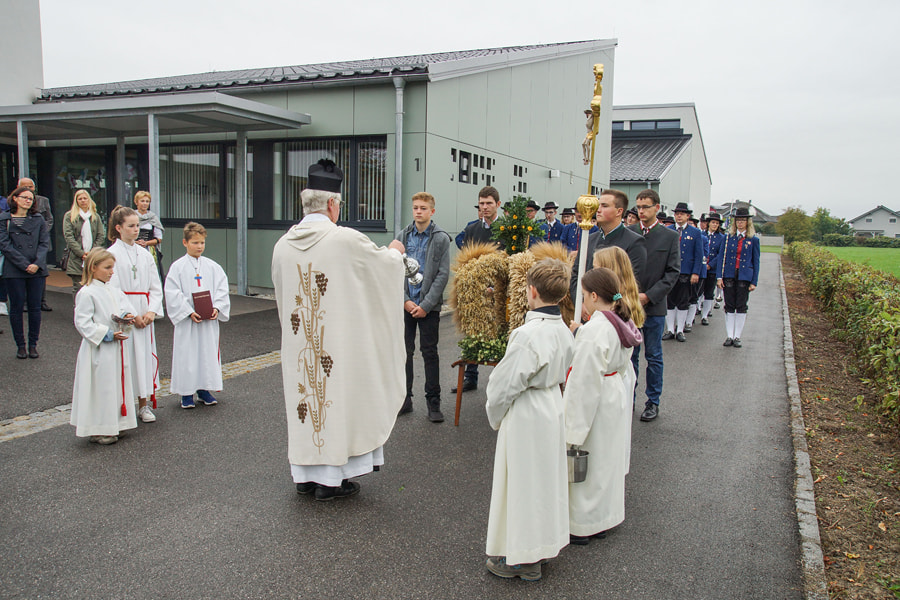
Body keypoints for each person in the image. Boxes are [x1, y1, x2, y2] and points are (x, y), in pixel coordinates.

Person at [272, 158, 406, 502]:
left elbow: (281, 293)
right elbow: (381, 269)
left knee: (306, 403)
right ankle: (331, 481)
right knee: (336, 401)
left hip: (300, 346)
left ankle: (305, 477)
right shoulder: (345, 239)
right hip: (336, 345)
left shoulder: (282, 245)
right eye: (340, 205)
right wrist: (395, 253)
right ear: (332, 203)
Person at [484, 258, 574, 581]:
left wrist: (495, 414)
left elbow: (504, 385)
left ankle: (521, 559)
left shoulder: (526, 335)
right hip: (551, 405)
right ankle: (542, 547)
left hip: (527, 410)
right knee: (544, 481)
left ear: (531, 291)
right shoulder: (564, 330)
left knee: (522, 483)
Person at [564, 267, 642, 545]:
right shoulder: (621, 321)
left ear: (595, 296)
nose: (583, 302)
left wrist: (572, 428)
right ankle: (603, 518)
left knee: (590, 458)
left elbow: (584, 381)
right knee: (607, 459)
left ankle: (582, 524)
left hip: (597, 397)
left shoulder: (595, 330)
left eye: (584, 296)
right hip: (614, 392)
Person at [69, 248, 137, 445]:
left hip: (117, 347)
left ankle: (116, 423)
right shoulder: (87, 292)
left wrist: (127, 317)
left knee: (116, 384)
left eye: (112, 268)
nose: (111, 272)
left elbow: (124, 308)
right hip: (98, 349)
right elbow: (83, 322)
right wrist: (106, 334)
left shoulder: (113, 290)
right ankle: (99, 428)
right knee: (101, 388)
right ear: (93, 267)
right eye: (107, 268)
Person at [396, 192, 451, 422]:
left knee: (429, 353)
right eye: (416, 207)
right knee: (404, 353)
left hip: (429, 306)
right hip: (406, 304)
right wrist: (405, 300)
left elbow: (442, 274)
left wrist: (426, 305)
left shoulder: (440, 239)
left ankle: (433, 403)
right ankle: (405, 400)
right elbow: (394, 269)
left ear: (432, 211)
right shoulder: (402, 236)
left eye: (423, 208)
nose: (418, 211)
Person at [165, 222, 231, 408]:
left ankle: (204, 389)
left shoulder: (212, 266)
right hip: (188, 321)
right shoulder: (177, 267)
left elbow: (222, 289)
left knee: (206, 354)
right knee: (187, 355)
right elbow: (172, 292)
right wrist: (188, 311)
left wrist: (217, 307)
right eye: (195, 242)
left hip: (207, 321)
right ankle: (186, 393)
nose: (199, 246)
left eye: (202, 242)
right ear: (185, 242)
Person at [628, 189, 679, 422]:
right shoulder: (630, 232)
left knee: (654, 355)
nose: (641, 211)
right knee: (630, 356)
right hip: (630, 307)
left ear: (657, 208)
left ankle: (653, 401)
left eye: (645, 207)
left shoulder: (669, 237)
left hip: (654, 307)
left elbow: (672, 273)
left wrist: (649, 296)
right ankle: (629, 398)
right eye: (638, 207)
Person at [108, 206, 163, 423]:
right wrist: (131, 314)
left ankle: (143, 404)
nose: (136, 229)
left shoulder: (145, 254)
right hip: (125, 315)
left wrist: (151, 311)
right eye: (131, 226)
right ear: (118, 228)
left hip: (144, 310)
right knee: (126, 359)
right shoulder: (112, 254)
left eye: (138, 225)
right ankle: (124, 404)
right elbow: (113, 288)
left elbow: (155, 286)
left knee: (144, 358)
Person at [453, 186, 503, 393]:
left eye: (489, 203)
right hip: (476, 291)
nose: (484, 207)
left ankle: (500, 381)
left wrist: (496, 287)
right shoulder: (472, 229)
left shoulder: (507, 229)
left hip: (498, 290)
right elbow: (467, 261)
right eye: (481, 203)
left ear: (498, 204)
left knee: (499, 334)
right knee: (472, 331)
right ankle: (470, 377)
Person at [569, 189, 646, 308]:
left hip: (615, 311)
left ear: (619, 211)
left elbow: (631, 282)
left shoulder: (634, 242)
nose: (598, 210)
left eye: (604, 206)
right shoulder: (589, 239)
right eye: (598, 205)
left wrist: (606, 307)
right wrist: (581, 304)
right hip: (586, 311)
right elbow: (576, 274)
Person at [0, 186, 50, 358]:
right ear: (15, 198)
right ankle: (20, 345)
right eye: (25, 197)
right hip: (14, 269)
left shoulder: (38, 219)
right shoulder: (4, 219)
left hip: (37, 269)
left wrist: (36, 263)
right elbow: (5, 245)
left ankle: (33, 344)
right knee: (16, 307)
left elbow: (44, 243)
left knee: (35, 308)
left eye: (30, 198)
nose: (28, 201)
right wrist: (24, 264)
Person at [717, 207, 760, 348]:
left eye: (743, 220)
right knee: (729, 305)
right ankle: (729, 335)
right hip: (729, 274)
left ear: (748, 222)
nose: (740, 223)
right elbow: (721, 258)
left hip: (744, 276)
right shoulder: (727, 238)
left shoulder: (753, 240)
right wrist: (719, 277)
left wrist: (754, 281)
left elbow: (756, 261)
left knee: (741, 306)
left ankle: (737, 336)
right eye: (738, 220)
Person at [662, 202, 702, 343]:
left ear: (687, 216)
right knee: (670, 301)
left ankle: (680, 330)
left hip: (686, 272)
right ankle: (670, 329)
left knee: (683, 302)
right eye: (677, 214)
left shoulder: (695, 232)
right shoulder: (668, 230)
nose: (679, 216)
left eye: (682, 214)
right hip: (670, 271)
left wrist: (695, 272)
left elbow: (699, 255)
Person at [17, 178, 53, 312]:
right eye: (25, 186)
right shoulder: (16, 202)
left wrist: (40, 233)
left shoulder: (43, 200)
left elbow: (49, 219)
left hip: (40, 243)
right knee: (24, 271)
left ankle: (41, 301)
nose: (28, 189)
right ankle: (25, 302)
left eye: (30, 186)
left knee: (41, 272)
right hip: (23, 244)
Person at [62, 190, 107, 297]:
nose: (83, 201)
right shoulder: (69, 216)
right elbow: (69, 237)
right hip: (76, 259)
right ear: (76, 201)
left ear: (89, 200)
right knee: (79, 289)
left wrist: (92, 253)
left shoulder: (95, 216)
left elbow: (101, 235)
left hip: (92, 258)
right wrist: (82, 253)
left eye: (85, 198)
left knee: (94, 288)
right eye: (80, 199)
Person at [133, 191, 165, 283]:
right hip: (134, 248)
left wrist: (146, 243)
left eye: (147, 201)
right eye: (142, 201)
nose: (145, 203)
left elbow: (159, 238)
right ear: (136, 202)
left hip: (149, 249)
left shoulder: (153, 218)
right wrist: (136, 242)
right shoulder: (131, 216)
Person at [699, 212, 725, 326]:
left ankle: (705, 315)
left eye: (717, 223)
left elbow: (720, 254)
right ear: (708, 223)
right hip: (701, 268)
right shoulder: (701, 234)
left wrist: (711, 265)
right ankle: (695, 310)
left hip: (712, 269)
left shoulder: (721, 238)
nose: (715, 225)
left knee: (709, 293)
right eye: (713, 222)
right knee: (698, 291)